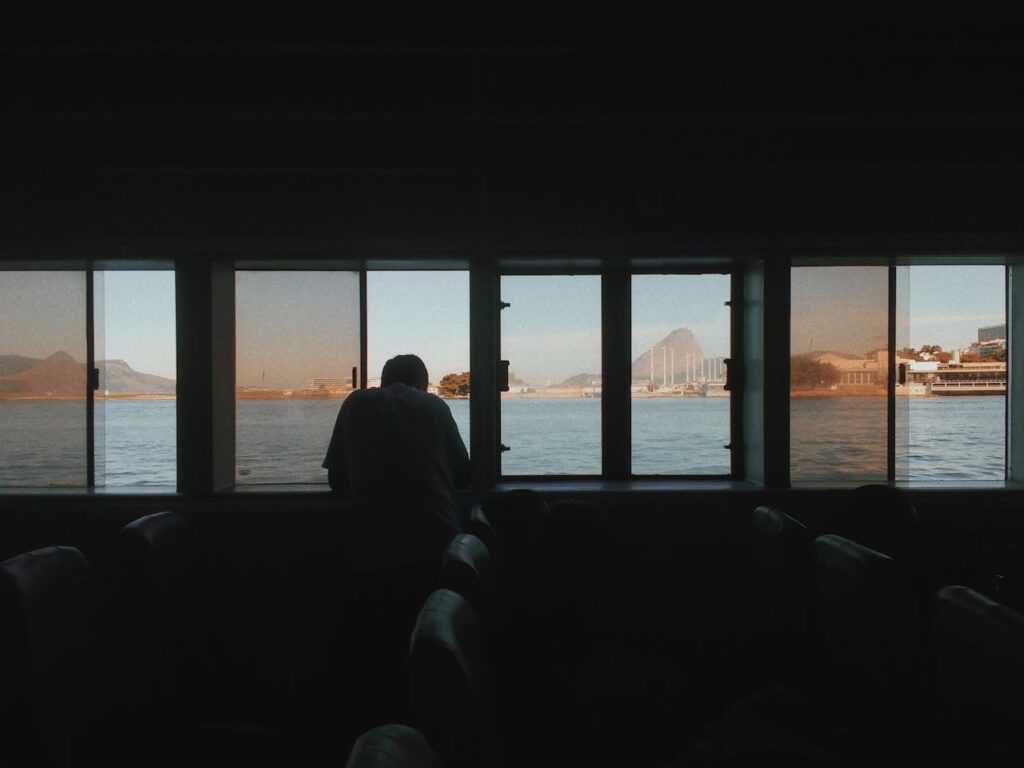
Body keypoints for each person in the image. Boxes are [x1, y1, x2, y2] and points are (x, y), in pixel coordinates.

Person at [323, 353, 470, 569]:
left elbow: (337, 478)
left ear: (383, 382)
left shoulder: (355, 403)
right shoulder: (434, 406)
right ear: (423, 384)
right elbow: (463, 474)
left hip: (373, 545)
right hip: (438, 540)